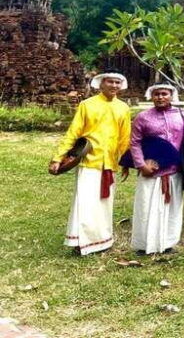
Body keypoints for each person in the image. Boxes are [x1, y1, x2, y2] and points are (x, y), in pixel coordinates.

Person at [49, 71, 131, 256]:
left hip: (109, 162)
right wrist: (58, 157)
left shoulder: (123, 108)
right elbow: (73, 132)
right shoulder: (87, 105)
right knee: (85, 202)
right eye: (110, 81)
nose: (114, 85)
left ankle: (102, 239)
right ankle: (82, 241)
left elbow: (125, 138)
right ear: (101, 84)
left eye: (117, 82)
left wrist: (125, 161)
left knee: (104, 203)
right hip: (88, 160)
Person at [130, 83, 184, 254]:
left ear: (171, 96)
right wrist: (141, 164)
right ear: (151, 96)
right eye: (157, 94)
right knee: (146, 207)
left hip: (175, 169)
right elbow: (135, 142)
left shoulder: (181, 115)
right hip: (151, 171)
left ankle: (168, 243)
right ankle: (145, 245)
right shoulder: (143, 117)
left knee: (173, 208)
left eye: (164, 94)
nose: (160, 97)